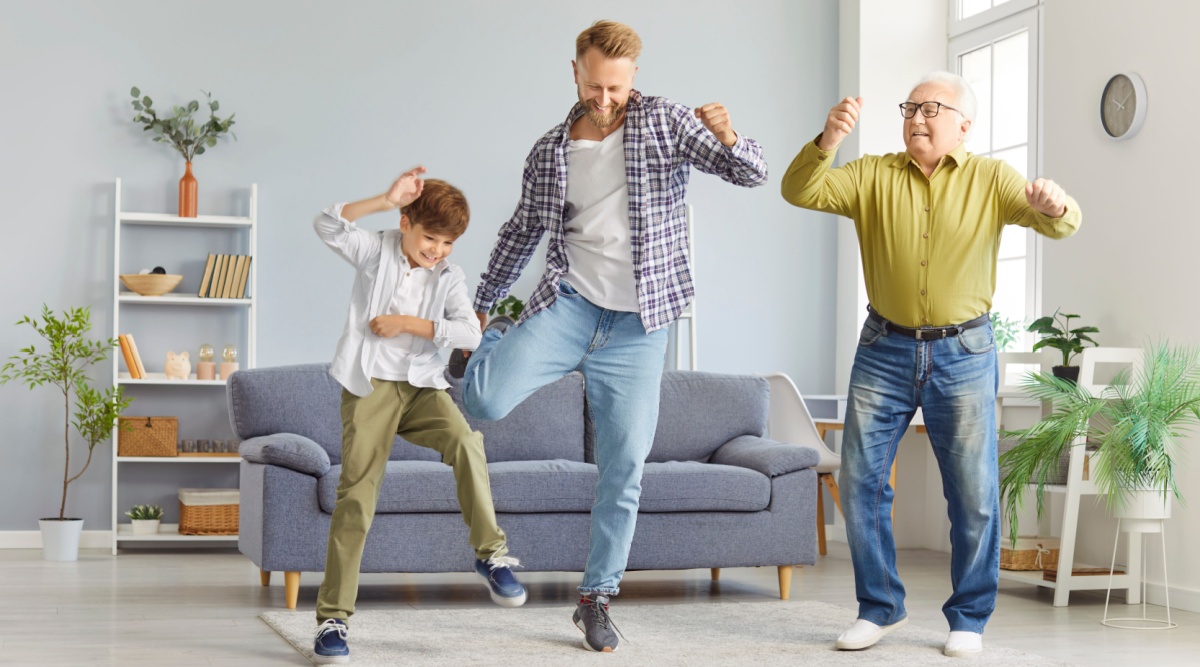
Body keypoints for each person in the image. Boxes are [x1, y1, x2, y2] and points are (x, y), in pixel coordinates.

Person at [451, 20, 767, 653]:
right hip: (569, 306)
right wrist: (479, 307)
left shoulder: (667, 123)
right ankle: (483, 348)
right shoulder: (549, 150)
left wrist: (729, 134)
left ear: (634, 78)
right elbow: (521, 232)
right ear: (575, 72)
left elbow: (750, 173)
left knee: (623, 469)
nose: (604, 99)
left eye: (616, 88)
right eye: (595, 86)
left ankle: (595, 598)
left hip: (639, 326)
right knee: (482, 402)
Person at [780, 72, 1082, 658]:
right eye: (910, 107)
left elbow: (1061, 223)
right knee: (859, 480)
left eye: (932, 109)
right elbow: (800, 191)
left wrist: (1056, 201)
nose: (917, 117)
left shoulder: (992, 179)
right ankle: (880, 607)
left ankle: (969, 616)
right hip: (883, 348)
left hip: (964, 352)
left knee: (971, 492)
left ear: (964, 125)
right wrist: (826, 142)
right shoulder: (870, 174)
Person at [310, 168, 526, 664]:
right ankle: (332, 621)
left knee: (467, 442)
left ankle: (490, 556)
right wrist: (384, 198)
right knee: (357, 497)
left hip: (423, 389)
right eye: (431, 237)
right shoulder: (377, 249)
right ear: (406, 223)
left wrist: (410, 324)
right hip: (371, 388)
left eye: (448, 242)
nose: (438, 250)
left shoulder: (450, 276)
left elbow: (469, 333)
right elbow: (327, 224)